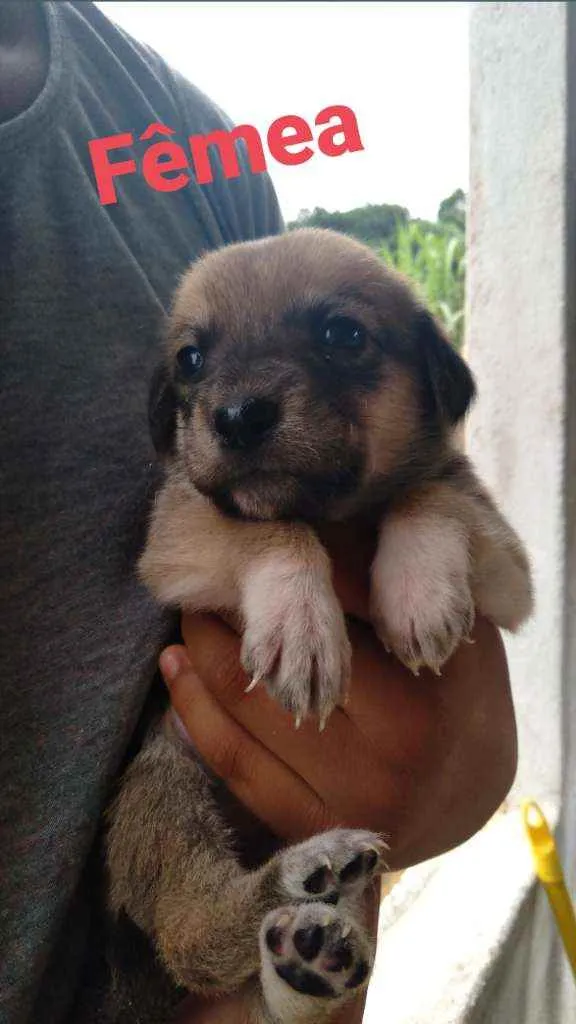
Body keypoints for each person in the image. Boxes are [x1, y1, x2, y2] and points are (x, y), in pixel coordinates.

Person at [0, 3, 517, 1023]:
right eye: (196, 367)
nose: (235, 400)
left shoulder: (185, 146)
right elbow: (181, 532)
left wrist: (463, 760)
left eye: (336, 336)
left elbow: (472, 609)